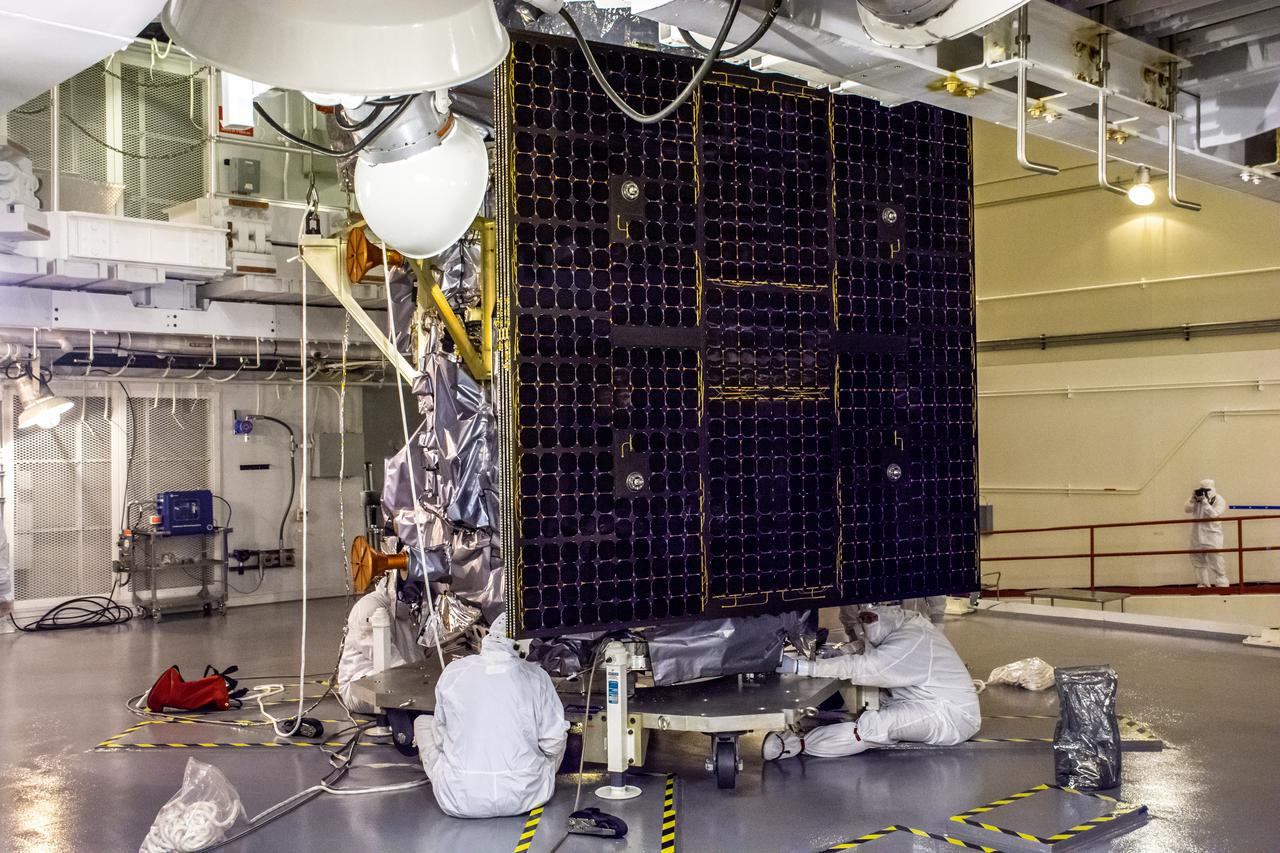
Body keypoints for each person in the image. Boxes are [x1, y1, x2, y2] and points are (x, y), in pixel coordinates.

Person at [766, 604, 980, 759]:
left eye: (869, 619)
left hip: (949, 715)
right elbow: (864, 647)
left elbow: (866, 665)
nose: (866, 624)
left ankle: (795, 745)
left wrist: (803, 667)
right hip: (918, 699)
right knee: (869, 708)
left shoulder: (913, 639)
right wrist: (833, 654)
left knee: (876, 726)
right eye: (863, 620)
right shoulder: (902, 626)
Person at [413, 613, 568, 818]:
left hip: (459, 799)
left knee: (423, 722)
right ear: (522, 644)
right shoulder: (536, 677)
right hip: (525, 797)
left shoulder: (453, 672)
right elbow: (553, 743)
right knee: (559, 730)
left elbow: (441, 739)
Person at [336, 572, 424, 714]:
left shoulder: (411, 608)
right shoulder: (369, 607)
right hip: (360, 684)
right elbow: (391, 664)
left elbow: (428, 650)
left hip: (402, 678)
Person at [1184, 479, 1229, 588]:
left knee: (1216, 559)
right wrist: (1192, 499)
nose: (1204, 492)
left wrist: (1205, 502)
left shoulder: (1219, 500)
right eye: (1202, 490)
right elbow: (1187, 509)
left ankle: (1221, 582)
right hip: (1196, 534)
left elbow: (1214, 515)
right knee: (1197, 560)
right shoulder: (1197, 500)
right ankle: (1202, 584)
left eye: (1206, 490)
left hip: (1212, 534)